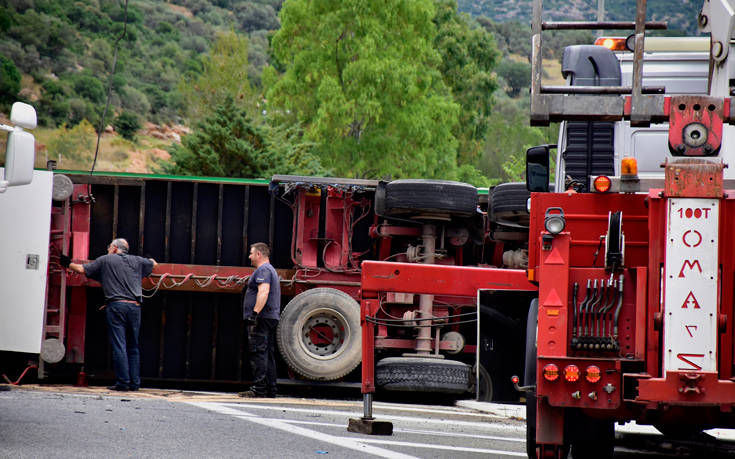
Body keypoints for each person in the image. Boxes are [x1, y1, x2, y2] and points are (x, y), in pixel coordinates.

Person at [60, 238, 157, 391]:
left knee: (120, 346)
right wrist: (150, 258)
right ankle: (134, 384)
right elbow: (153, 264)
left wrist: (65, 262)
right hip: (135, 307)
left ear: (113, 248)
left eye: (108, 247)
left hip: (117, 306)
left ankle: (123, 383)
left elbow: (81, 270)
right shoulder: (138, 261)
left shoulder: (106, 260)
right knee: (133, 347)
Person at [239, 242, 281, 398]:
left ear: (259, 254)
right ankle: (271, 389)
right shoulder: (270, 270)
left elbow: (264, 291)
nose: (249, 256)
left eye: (251, 253)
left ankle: (259, 389)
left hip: (261, 318)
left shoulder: (263, 270)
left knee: (258, 352)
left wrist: (254, 313)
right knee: (267, 353)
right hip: (270, 317)